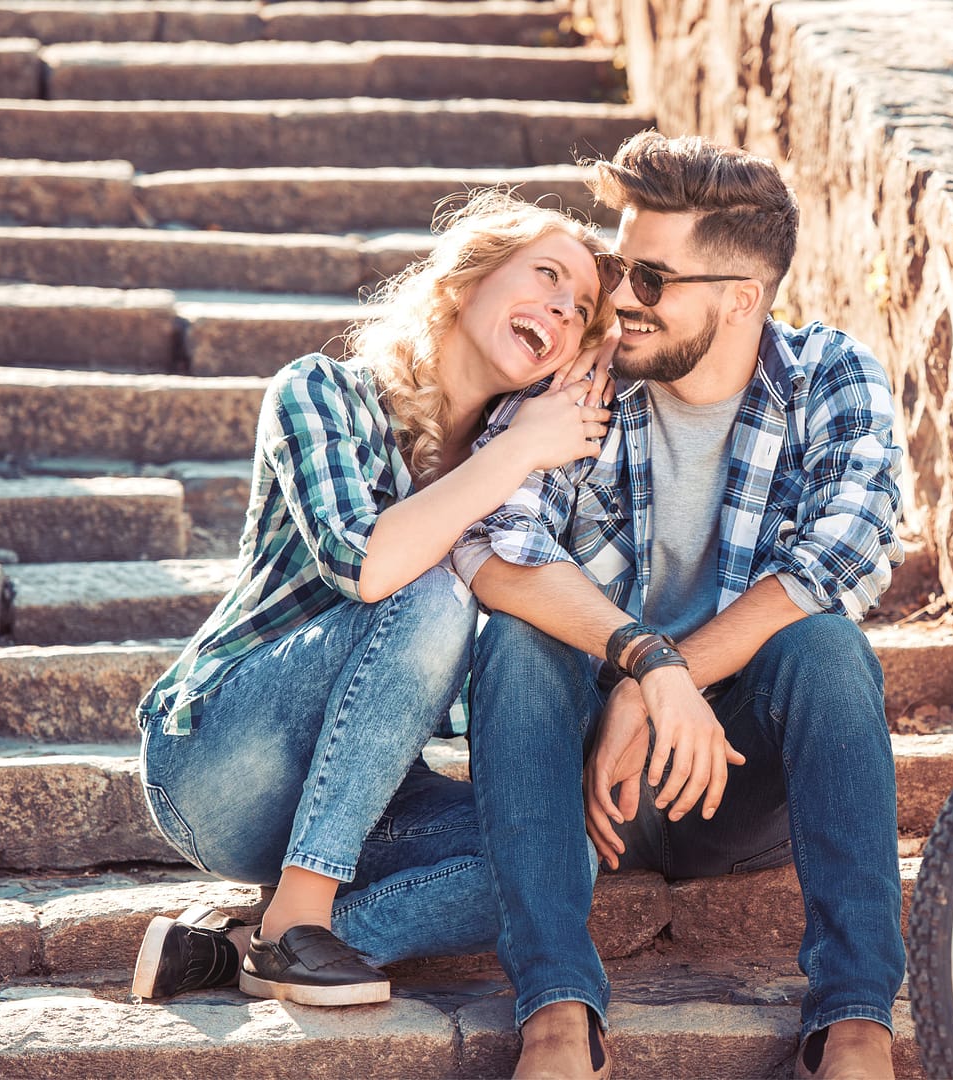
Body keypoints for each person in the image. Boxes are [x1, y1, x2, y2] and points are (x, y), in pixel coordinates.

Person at [455, 132, 906, 1079]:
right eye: (621, 267)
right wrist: (643, 667)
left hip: (735, 783)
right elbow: (494, 549)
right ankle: (557, 1012)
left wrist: (663, 682)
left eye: (651, 279)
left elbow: (846, 556)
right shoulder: (580, 379)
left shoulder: (831, 378)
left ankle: (858, 1018)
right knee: (516, 647)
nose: (618, 298)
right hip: (583, 780)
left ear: (742, 296)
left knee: (825, 649)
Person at [129, 190, 615, 1007]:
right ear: (465, 284)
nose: (565, 310)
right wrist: (528, 445)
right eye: (548, 276)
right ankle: (299, 923)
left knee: (559, 855)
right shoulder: (319, 392)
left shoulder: (518, 481)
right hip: (219, 762)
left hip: (361, 798)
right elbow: (367, 566)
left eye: (583, 310)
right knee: (433, 590)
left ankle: (247, 949)